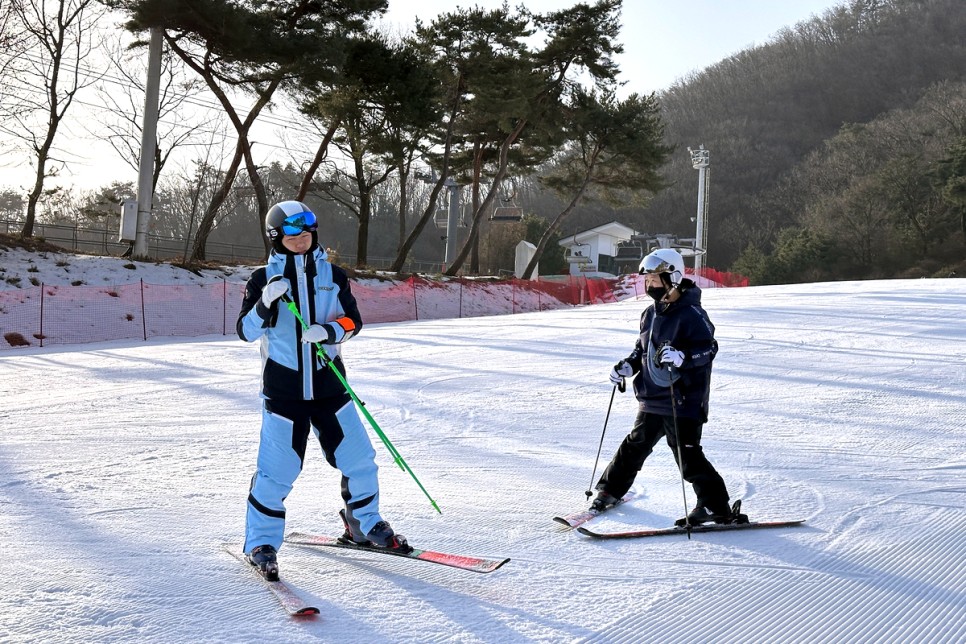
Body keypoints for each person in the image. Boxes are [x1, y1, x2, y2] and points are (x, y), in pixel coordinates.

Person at [236, 200, 410, 580]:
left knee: (360, 460)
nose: (301, 241)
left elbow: (354, 321)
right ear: (276, 238)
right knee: (276, 472)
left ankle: (363, 524)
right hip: (285, 394)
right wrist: (266, 303)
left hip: (332, 385)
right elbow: (245, 331)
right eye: (292, 235)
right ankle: (261, 543)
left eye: (307, 234)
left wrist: (330, 331)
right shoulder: (260, 278)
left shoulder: (334, 275)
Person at [591, 248, 742, 526]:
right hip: (653, 397)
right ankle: (609, 490)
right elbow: (642, 350)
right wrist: (628, 366)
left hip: (683, 399)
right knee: (634, 446)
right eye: (647, 281)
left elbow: (709, 349)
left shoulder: (693, 314)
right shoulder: (649, 314)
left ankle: (715, 506)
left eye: (655, 280)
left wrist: (684, 358)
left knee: (688, 456)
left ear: (672, 277)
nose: (650, 286)